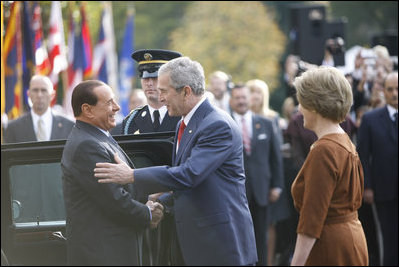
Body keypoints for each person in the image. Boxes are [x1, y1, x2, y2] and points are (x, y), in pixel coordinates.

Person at [94, 57, 258, 266]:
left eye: (164, 91)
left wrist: (132, 175)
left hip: (220, 245)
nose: (160, 98)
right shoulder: (187, 122)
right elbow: (191, 184)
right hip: (199, 243)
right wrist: (161, 203)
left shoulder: (216, 125)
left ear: (186, 91)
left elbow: (189, 174)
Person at [61, 80, 164, 265]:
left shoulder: (97, 137)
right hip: (104, 254)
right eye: (109, 103)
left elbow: (121, 186)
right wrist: (147, 213)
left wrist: (149, 196)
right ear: (87, 110)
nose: (116, 107)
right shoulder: (87, 145)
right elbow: (113, 199)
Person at [290, 66, 368, 266]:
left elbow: (311, 219)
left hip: (330, 248)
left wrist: (296, 263)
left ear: (314, 105)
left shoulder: (325, 150)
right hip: (351, 240)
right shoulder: (343, 140)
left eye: (302, 101)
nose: (299, 108)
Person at [229, 83, 284, 266]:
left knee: (261, 236)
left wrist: (277, 185)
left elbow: (276, 156)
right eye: (237, 98)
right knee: (237, 237)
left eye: (244, 97)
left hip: (262, 191)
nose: (241, 101)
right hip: (235, 194)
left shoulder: (266, 124)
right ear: (231, 100)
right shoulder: (224, 124)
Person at [357, 72, 398, 266]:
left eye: (397, 89)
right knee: (388, 239)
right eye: (390, 89)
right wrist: (367, 186)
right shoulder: (371, 119)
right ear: (383, 90)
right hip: (384, 190)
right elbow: (363, 155)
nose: (395, 93)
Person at [121, 49, 182, 135]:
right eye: (145, 78)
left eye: (155, 78)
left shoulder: (182, 116)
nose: (149, 83)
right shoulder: (131, 120)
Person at [3, 75, 74, 143]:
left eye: (44, 90)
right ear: (29, 94)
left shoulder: (69, 126)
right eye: (35, 90)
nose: (39, 95)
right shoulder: (12, 128)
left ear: (52, 95)